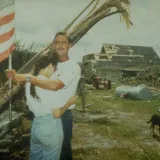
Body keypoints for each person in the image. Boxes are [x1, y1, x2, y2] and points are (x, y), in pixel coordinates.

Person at [6, 31, 81, 160]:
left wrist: (29, 78)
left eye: (64, 42)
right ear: (53, 45)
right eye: (57, 42)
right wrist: (14, 76)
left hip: (61, 115)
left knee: (63, 153)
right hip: (47, 117)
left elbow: (54, 86)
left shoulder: (72, 66)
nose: (60, 45)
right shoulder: (51, 63)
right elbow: (32, 83)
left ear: (70, 45)